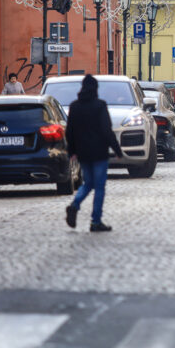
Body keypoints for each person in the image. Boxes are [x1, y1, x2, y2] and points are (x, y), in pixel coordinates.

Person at [64, 75, 123, 232]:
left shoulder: (74, 106)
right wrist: (117, 150)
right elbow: (106, 130)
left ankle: (74, 205)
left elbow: (69, 131)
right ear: (96, 89)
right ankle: (95, 221)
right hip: (99, 153)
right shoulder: (100, 105)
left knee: (88, 184)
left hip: (83, 153)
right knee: (99, 187)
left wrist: (72, 151)